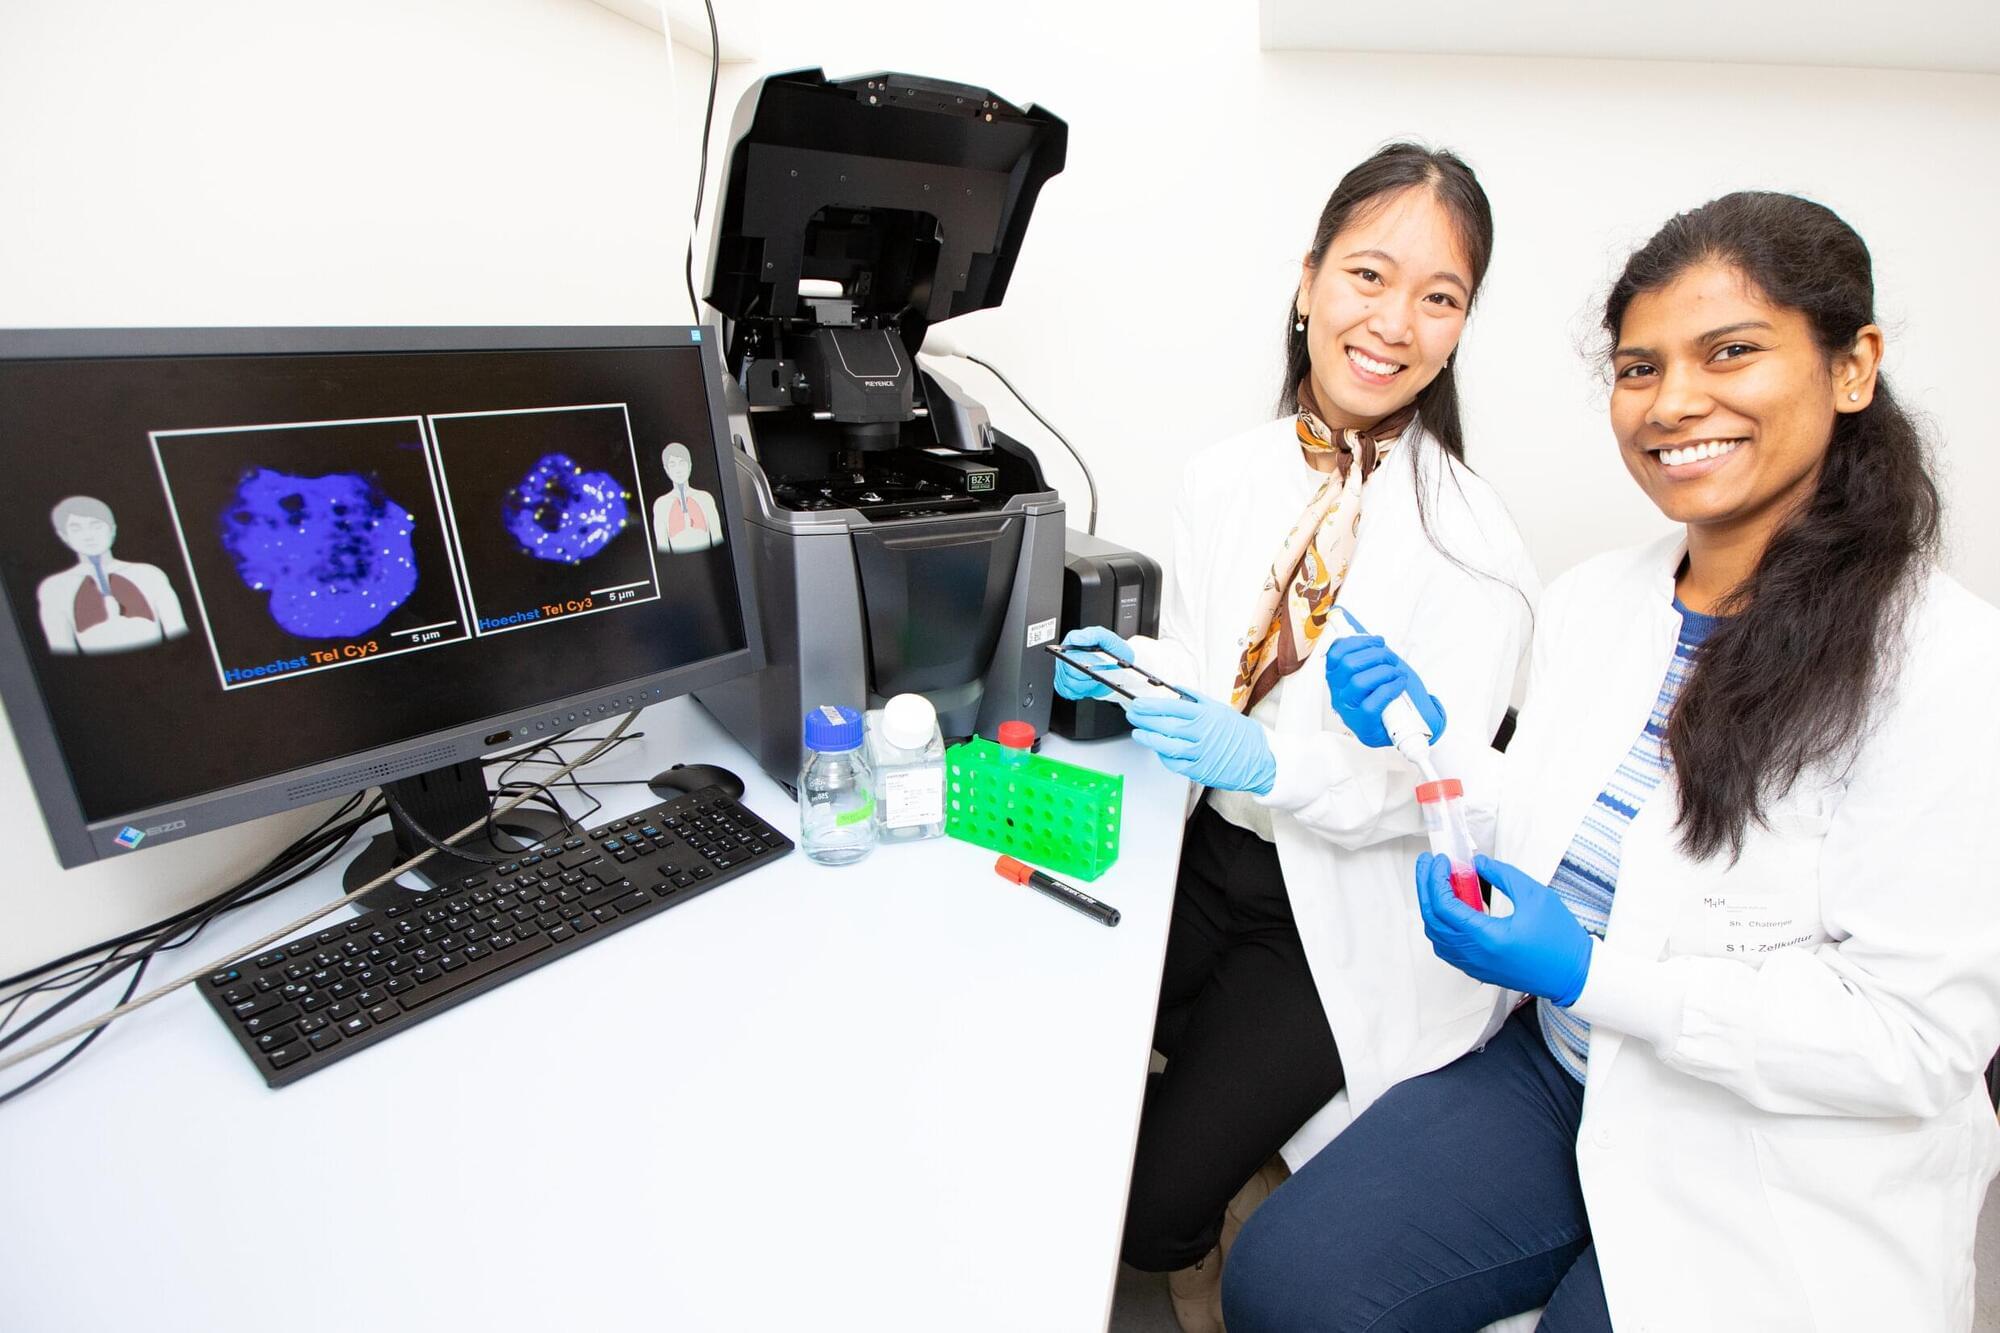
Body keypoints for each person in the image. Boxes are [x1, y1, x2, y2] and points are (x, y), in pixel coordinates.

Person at [1222, 192, 2000, 1332]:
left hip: (1769, 1140)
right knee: (1288, 1280)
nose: (1673, 401)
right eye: (1640, 369)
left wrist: (1592, 974)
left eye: (1729, 352)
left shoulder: (1945, 665)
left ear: (1851, 367)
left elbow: (1914, 1042)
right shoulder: (1597, 602)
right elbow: (1565, 822)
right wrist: (1428, 743)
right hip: (1561, 1067)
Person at [1053, 143, 1537, 1332]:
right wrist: (1129, 671)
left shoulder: (1478, 551)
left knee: (1145, 1214)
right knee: (1048, 1052)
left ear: (1459, 329)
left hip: (1334, 911)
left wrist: (1273, 761)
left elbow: (1441, 794)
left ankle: (1218, 1207)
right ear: (1308, 279)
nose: (1393, 323)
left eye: (1438, 297)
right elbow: (1206, 660)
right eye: (1367, 275)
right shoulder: (1224, 477)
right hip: (1201, 852)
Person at [36, 495, 188, 655]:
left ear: (112, 529)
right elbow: (61, 648)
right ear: (64, 536)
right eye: (76, 528)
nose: (88, 535)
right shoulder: (54, 587)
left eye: (96, 526)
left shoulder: (149, 574)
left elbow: (178, 631)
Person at [653, 442, 723, 555]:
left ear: (690, 465)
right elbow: (662, 547)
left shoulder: (705, 498)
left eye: (682, 463)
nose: (678, 469)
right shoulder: (661, 504)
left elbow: (718, 538)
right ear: (667, 470)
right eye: (673, 464)